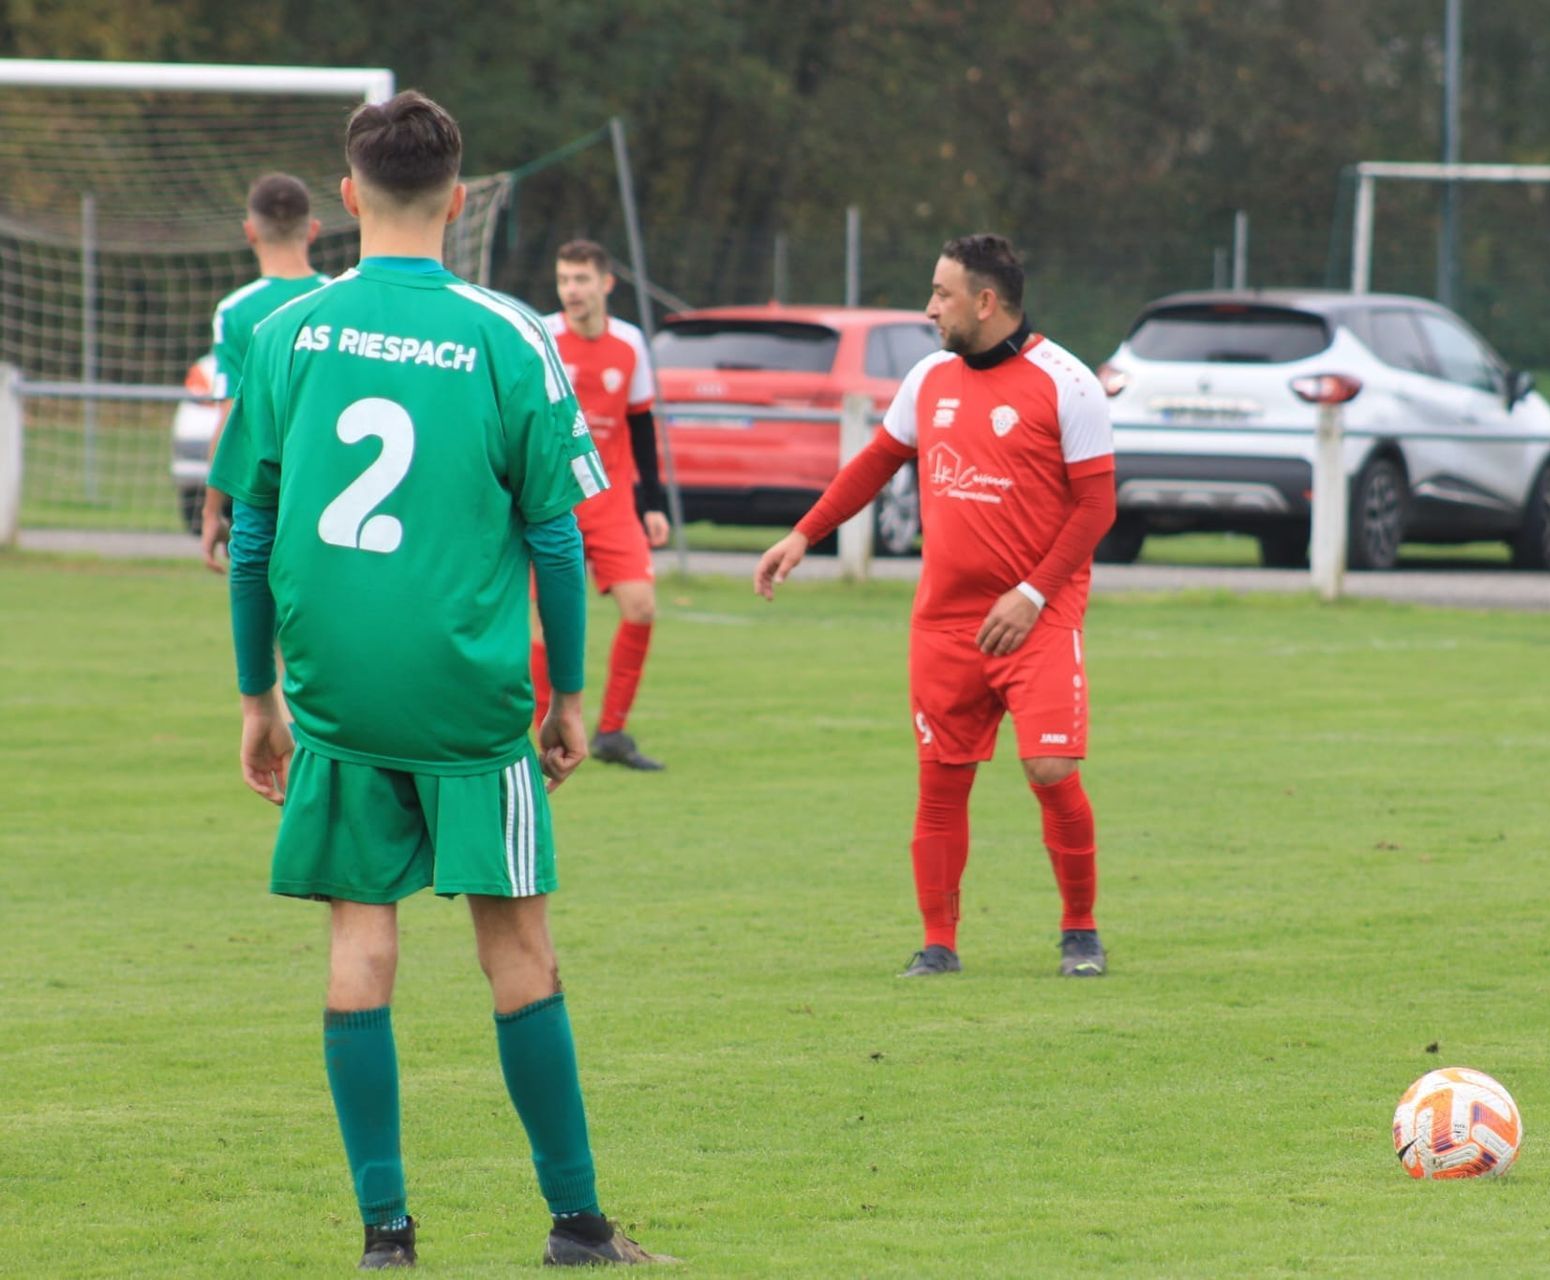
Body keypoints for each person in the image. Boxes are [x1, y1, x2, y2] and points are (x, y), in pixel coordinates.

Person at [209, 90, 675, 1269]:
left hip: (338, 694)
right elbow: (562, 537)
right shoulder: (509, 334)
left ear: (349, 198)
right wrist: (569, 694)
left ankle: (386, 1232)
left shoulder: (287, 332)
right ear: (461, 201)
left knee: (359, 947)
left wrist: (257, 693)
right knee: (519, 950)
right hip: (470, 699)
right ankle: (575, 1223)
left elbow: (251, 533)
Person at [755, 234, 1118, 979]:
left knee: (1051, 770)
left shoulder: (1067, 382)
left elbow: (1096, 509)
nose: (929, 308)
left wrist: (1032, 592)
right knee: (941, 780)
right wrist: (803, 534)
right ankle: (939, 943)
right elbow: (875, 465)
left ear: (985, 303)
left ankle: (1080, 928)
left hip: (1038, 616)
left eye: (941, 294)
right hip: (946, 622)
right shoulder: (929, 379)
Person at [535, 239, 670, 771]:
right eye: (565, 280)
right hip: (554, 499)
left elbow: (640, 426)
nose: (572, 290)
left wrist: (652, 503)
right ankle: (545, 735)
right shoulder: (541, 335)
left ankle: (612, 732)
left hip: (611, 499)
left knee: (642, 606)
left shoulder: (631, 343)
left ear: (606, 284)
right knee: (547, 624)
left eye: (582, 280)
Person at [200, 173, 329, 572]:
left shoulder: (236, 310)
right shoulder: (340, 300)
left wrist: (210, 512)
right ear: (313, 230)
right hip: (331, 491)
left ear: (249, 231)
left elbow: (230, 415)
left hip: (263, 499)